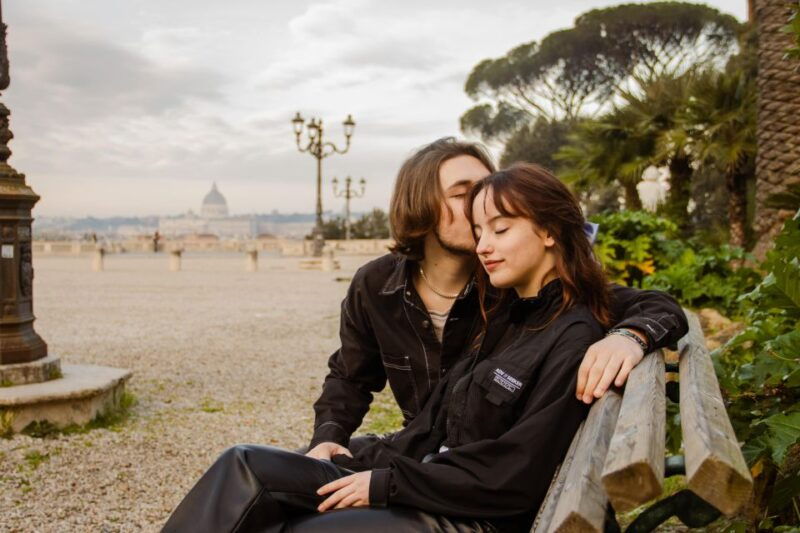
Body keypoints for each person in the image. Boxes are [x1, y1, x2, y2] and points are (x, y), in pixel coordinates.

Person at [162, 163, 689, 532]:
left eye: (500, 229)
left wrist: (631, 333)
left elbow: (513, 472)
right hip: (427, 476)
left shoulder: (570, 330)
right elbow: (359, 382)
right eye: (479, 227)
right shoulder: (504, 308)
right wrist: (347, 448)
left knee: (279, 520)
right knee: (245, 464)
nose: (483, 243)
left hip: (463, 508)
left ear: (549, 231)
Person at [306, 137, 687, 461]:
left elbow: (655, 305)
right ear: (420, 204)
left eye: (486, 190)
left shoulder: (514, 283)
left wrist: (630, 336)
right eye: (463, 193)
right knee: (267, 474)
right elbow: (350, 377)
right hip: (418, 455)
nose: (482, 202)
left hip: (475, 478)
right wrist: (328, 437)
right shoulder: (376, 285)